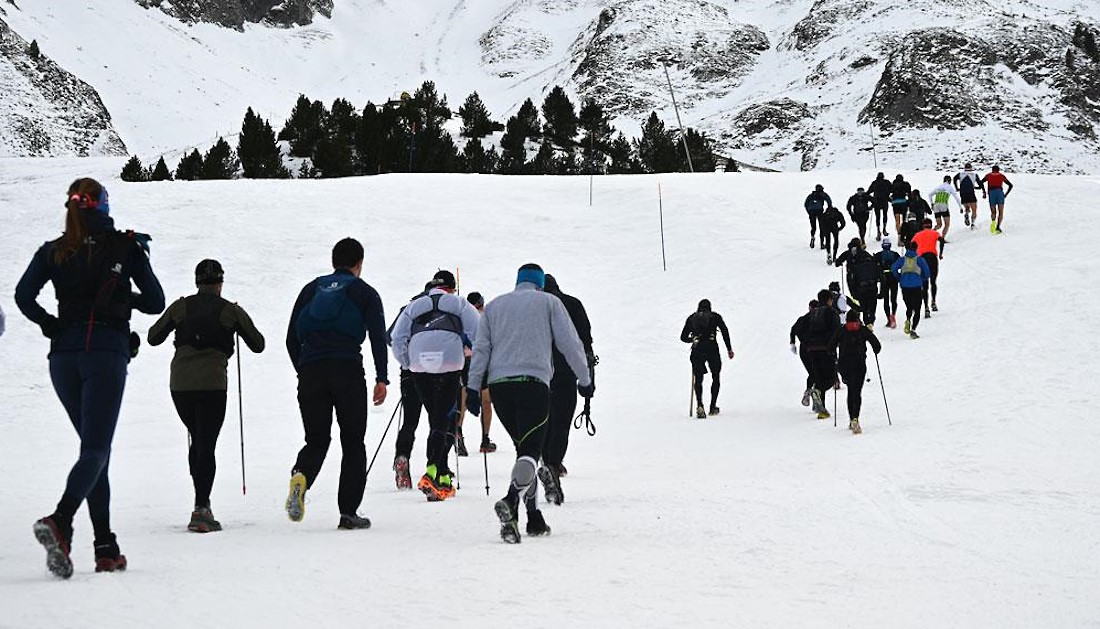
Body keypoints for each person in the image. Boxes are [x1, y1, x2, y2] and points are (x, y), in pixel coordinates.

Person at [15, 178, 165, 578]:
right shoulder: (125, 246)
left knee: (93, 450)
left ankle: (105, 546)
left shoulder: (55, 250)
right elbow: (155, 302)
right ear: (103, 205)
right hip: (105, 352)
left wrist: (51, 324)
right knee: (97, 449)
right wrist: (123, 296)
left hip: (63, 356)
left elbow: (22, 296)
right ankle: (61, 521)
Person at [465, 263, 593, 544]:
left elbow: (482, 348)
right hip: (534, 384)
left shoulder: (495, 306)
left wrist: (473, 387)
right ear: (539, 283)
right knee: (531, 453)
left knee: (524, 451)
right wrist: (584, 379)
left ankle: (533, 517)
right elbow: (570, 343)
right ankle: (511, 501)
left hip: (500, 389)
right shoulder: (549, 302)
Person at [147, 259, 265, 532]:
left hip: (180, 385)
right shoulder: (230, 310)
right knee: (205, 443)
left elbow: (154, 337)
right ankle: (201, 508)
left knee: (199, 438)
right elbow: (258, 345)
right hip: (212, 385)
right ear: (220, 283)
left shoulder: (181, 306)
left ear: (196, 282)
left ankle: (201, 500)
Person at [285, 238, 389, 530]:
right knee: (353, 441)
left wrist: (303, 370)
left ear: (333, 262)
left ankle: (301, 476)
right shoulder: (364, 292)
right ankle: (348, 512)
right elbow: (378, 337)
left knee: (316, 440)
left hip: (311, 372)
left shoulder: (310, 289)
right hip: (347, 371)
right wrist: (382, 378)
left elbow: (291, 338)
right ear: (359, 263)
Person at [390, 270, 480, 502]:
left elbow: (396, 337)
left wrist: (408, 362)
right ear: (452, 288)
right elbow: (478, 333)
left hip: (418, 368)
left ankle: (441, 472)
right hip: (449, 365)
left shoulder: (413, 305)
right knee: (444, 419)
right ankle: (433, 471)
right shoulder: (459, 304)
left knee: (433, 419)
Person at [540, 274, 595, 504]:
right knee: (562, 422)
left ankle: (547, 462)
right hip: (567, 371)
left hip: (539, 371)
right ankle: (553, 465)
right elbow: (586, 340)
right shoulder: (572, 304)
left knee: (544, 421)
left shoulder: (536, 307)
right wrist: (588, 375)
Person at [388, 283, 432, 490]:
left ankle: (402, 456)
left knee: (410, 421)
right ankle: (438, 467)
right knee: (440, 421)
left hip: (410, 372)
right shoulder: (447, 306)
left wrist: (407, 360)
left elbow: (391, 337)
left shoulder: (410, 307)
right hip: (439, 372)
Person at [456, 291, 497, 457]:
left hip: (463, 360)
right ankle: (485, 440)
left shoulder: (462, 316)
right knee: (486, 400)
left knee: (463, 398)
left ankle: (458, 433)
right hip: (482, 361)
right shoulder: (486, 317)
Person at [680, 299, 735, 418]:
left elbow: (683, 337)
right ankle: (712, 406)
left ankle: (700, 405)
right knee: (716, 376)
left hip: (697, 349)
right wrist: (729, 349)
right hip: (712, 348)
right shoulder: (715, 317)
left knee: (698, 378)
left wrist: (693, 339)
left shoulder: (691, 318)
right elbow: (725, 331)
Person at [829, 310, 882, 434]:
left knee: (850, 390)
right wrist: (874, 350)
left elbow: (830, 347)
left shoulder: (841, 330)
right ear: (857, 319)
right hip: (859, 364)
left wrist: (835, 357)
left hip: (844, 365)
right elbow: (877, 346)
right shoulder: (862, 330)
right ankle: (855, 419)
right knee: (856, 392)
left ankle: (851, 419)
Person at [791, 290, 841, 419]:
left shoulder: (811, 314)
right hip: (826, 349)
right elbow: (837, 331)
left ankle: (821, 410)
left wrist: (807, 342)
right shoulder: (831, 313)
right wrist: (834, 344)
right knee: (830, 378)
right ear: (829, 300)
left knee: (819, 378)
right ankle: (816, 393)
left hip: (812, 350)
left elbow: (798, 329)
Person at [834, 238, 879, 329]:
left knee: (858, 301)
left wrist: (840, 263)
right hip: (866, 281)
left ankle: (859, 318)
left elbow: (837, 262)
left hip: (852, 281)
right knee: (870, 303)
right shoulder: (864, 253)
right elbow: (873, 262)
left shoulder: (848, 253)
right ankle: (869, 322)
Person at [891, 241, 931, 339]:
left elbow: (893, 268)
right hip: (916, 286)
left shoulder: (902, 260)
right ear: (916, 248)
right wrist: (922, 279)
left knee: (909, 306)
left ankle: (908, 319)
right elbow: (927, 273)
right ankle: (913, 330)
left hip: (904, 286)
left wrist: (899, 278)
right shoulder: (920, 260)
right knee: (917, 309)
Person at [911, 218, 945, 316]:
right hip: (932, 258)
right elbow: (942, 240)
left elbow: (911, 245)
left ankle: (926, 307)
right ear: (930, 225)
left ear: (923, 225)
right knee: (933, 282)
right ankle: (933, 302)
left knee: (924, 284)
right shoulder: (934, 233)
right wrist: (941, 254)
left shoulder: (918, 235)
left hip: (922, 259)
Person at [790, 299, 819, 407]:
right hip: (815, 348)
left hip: (804, 349)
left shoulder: (803, 319)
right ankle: (814, 392)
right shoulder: (818, 319)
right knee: (816, 372)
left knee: (813, 372)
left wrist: (793, 342)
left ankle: (809, 391)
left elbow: (793, 330)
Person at [873, 239, 901, 328]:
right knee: (893, 299)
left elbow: (873, 265)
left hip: (883, 279)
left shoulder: (878, 255)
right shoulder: (895, 254)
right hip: (894, 278)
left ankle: (888, 318)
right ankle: (893, 316)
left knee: (886, 300)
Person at [980, 165, 1014, 234]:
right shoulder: (1001, 176)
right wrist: (1006, 194)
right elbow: (1010, 185)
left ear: (992, 170)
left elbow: (981, 182)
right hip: (999, 193)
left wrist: (983, 191)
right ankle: (998, 227)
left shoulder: (988, 175)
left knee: (993, 211)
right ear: (998, 170)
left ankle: (993, 222)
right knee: (1000, 211)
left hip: (991, 193)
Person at [953, 163, 985, 230]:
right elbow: (980, 184)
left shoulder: (960, 174)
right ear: (971, 168)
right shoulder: (974, 175)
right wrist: (982, 191)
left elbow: (954, 179)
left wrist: (956, 187)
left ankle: (967, 213)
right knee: (974, 209)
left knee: (967, 207)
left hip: (963, 193)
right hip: (971, 193)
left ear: (964, 168)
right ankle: (972, 223)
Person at [803, 184, 833, 249]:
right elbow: (829, 201)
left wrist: (809, 212)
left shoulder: (811, 195)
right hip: (820, 212)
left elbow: (805, 204)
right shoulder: (823, 194)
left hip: (811, 212)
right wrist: (828, 210)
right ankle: (822, 244)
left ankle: (812, 237)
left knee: (813, 227)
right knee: (821, 228)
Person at [868, 172, 893, 241]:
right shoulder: (887, 182)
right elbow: (891, 190)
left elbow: (869, 191)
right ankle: (884, 229)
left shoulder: (874, 183)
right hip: (885, 201)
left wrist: (871, 199)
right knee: (885, 215)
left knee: (877, 217)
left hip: (876, 202)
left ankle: (878, 232)